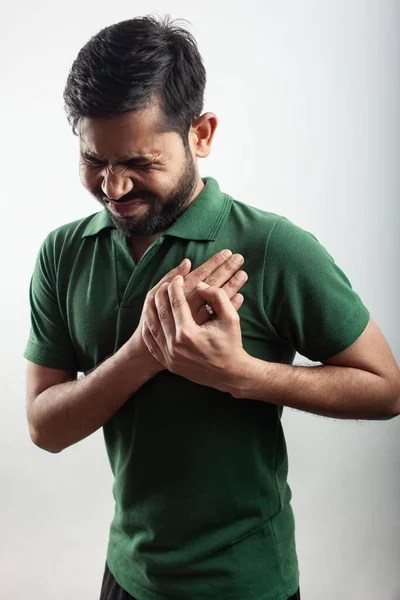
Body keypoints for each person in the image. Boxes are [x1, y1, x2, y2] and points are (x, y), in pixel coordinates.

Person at [23, 15, 400, 600]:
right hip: (126, 576)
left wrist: (244, 376)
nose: (113, 188)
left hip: (248, 585)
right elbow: (44, 427)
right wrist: (146, 353)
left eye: (141, 164)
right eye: (95, 161)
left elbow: (387, 388)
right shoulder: (63, 253)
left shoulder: (274, 247)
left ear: (201, 134)